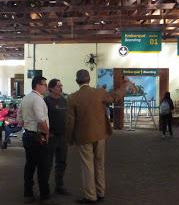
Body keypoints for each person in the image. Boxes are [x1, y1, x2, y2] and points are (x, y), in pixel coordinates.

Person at [66, 70, 137, 204]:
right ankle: (100, 192)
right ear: (89, 79)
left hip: (83, 136)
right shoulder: (99, 93)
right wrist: (125, 85)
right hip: (100, 134)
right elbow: (115, 97)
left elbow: (70, 122)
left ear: (77, 81)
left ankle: (90, 196)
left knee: (87, 166)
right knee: (99, 164)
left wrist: (69, 139)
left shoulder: (72, 98)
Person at [17, 76, 51, 204]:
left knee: (30, 165)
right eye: (44, 84)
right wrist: (47, 133)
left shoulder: (25, 98)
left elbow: (19, 117)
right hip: (38, 136)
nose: (46, 87)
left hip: (28, 135)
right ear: (37, 85)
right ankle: (44, 195)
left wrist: (26, 124)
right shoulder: (37, 100)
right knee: (43, 166)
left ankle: (28, 193)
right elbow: (41, 119)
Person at [44, 79, 69, 195]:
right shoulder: (46, 101)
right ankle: (46, 188)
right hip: (52, 137)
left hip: (63, 137)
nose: (61, 88)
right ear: (52, 88)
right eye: (59, 86)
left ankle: (59, 186)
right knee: (48, 163)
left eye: (61, 85)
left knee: (62, 162)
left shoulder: (64, 100)